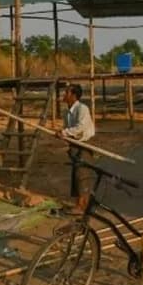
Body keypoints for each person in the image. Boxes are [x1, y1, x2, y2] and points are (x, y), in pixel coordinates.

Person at [55, 84, 96, 214]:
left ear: (73, 95)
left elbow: (81, 127)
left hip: (84, 145)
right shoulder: (67, 112)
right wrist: (63, 135)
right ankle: (80, 204)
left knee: (82, 175)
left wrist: (65, 132)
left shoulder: (82, 109)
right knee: (76, 175)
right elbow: (69, 130)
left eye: (66, 92)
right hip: (74, 145)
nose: (64, 95)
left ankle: (83, 206)